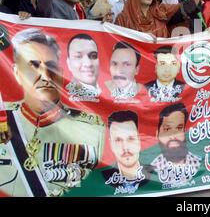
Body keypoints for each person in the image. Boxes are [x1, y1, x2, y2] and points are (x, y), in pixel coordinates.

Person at [0, 28, 104, 197]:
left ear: (62, 74)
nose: (45, 76)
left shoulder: (92, 128)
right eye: (33, 65)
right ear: (16, 73)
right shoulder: (3, 119)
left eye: (52, 67)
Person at [151, 103, 201, 188]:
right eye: (167, 129)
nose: (173, 136)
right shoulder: (152, 170)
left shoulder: (200, 164)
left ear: (185, 132)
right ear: (157, 134)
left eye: (179, 128)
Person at [102, 110, 151, 195]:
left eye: (130, 139)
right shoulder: (101, 178)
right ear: (111, 144)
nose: (125, 148)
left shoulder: (156, 174)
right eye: (118, 140)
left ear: (139, 140)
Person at [66, 34, 101, 101]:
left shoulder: (110, 91)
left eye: (93, 56)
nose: (88, 64)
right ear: (69, 63)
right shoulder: (66, 95)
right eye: (78, 56)